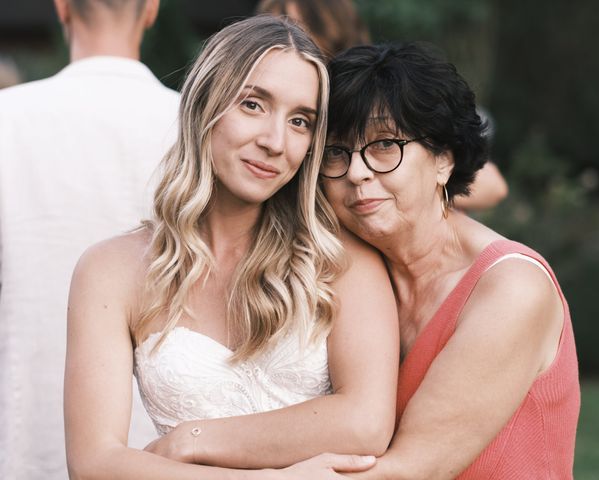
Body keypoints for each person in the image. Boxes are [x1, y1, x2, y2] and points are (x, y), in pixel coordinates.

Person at [64, 15, 398, 479]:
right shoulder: (110, 270)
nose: (275, 142)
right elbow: (95, 464)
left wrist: (190, 439)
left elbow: (365, 423)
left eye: (300, 121)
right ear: (205, 104)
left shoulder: (341, 261)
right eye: (253, 104)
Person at [319, 43, 580, 479]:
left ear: (443, 159)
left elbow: (408, 471)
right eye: (335, 152)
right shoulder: (354, 275)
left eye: (384, 145)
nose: (356, 172)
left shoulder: (511, 288)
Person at [0, 0, 179, 478]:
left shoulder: (7, 118)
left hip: (23, 434)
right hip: (164, 446)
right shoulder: (191, 123)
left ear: (61, 8)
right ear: (151, 10)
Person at [257, 0, 508, 210]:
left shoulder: (373, 96)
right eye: (267, 30)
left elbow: (492, 186)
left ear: (335, 37)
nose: (284, 42)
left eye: (299, 31)